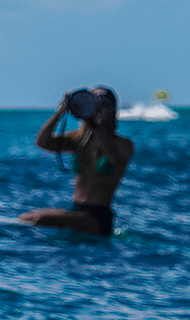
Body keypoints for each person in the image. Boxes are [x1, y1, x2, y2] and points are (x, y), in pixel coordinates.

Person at [21, 86, 133, 237]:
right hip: (76, 210)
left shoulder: (123, 145)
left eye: (102, 105)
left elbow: (114, 158)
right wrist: (60, 113)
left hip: (98, 218)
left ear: (112, 110)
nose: (97, 109)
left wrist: (99, 126)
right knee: (29, 216)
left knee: (37, 219)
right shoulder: (79, 140)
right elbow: (42, 142)